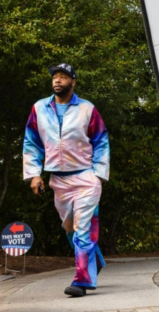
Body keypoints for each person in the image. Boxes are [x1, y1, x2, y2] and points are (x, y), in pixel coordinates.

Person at [23, 63, 110, 297]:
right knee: (69, 229)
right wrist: (34, 174)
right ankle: (95, 262)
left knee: (83, 229)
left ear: (73, 81)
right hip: (58, 181)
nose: (57, 81)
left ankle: (82, 281)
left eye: (63, 77)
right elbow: (31, 142)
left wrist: (98, 174)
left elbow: (101, 140)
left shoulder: (87, 109)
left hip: (85, 177)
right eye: (54, 77)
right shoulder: (39, 108)